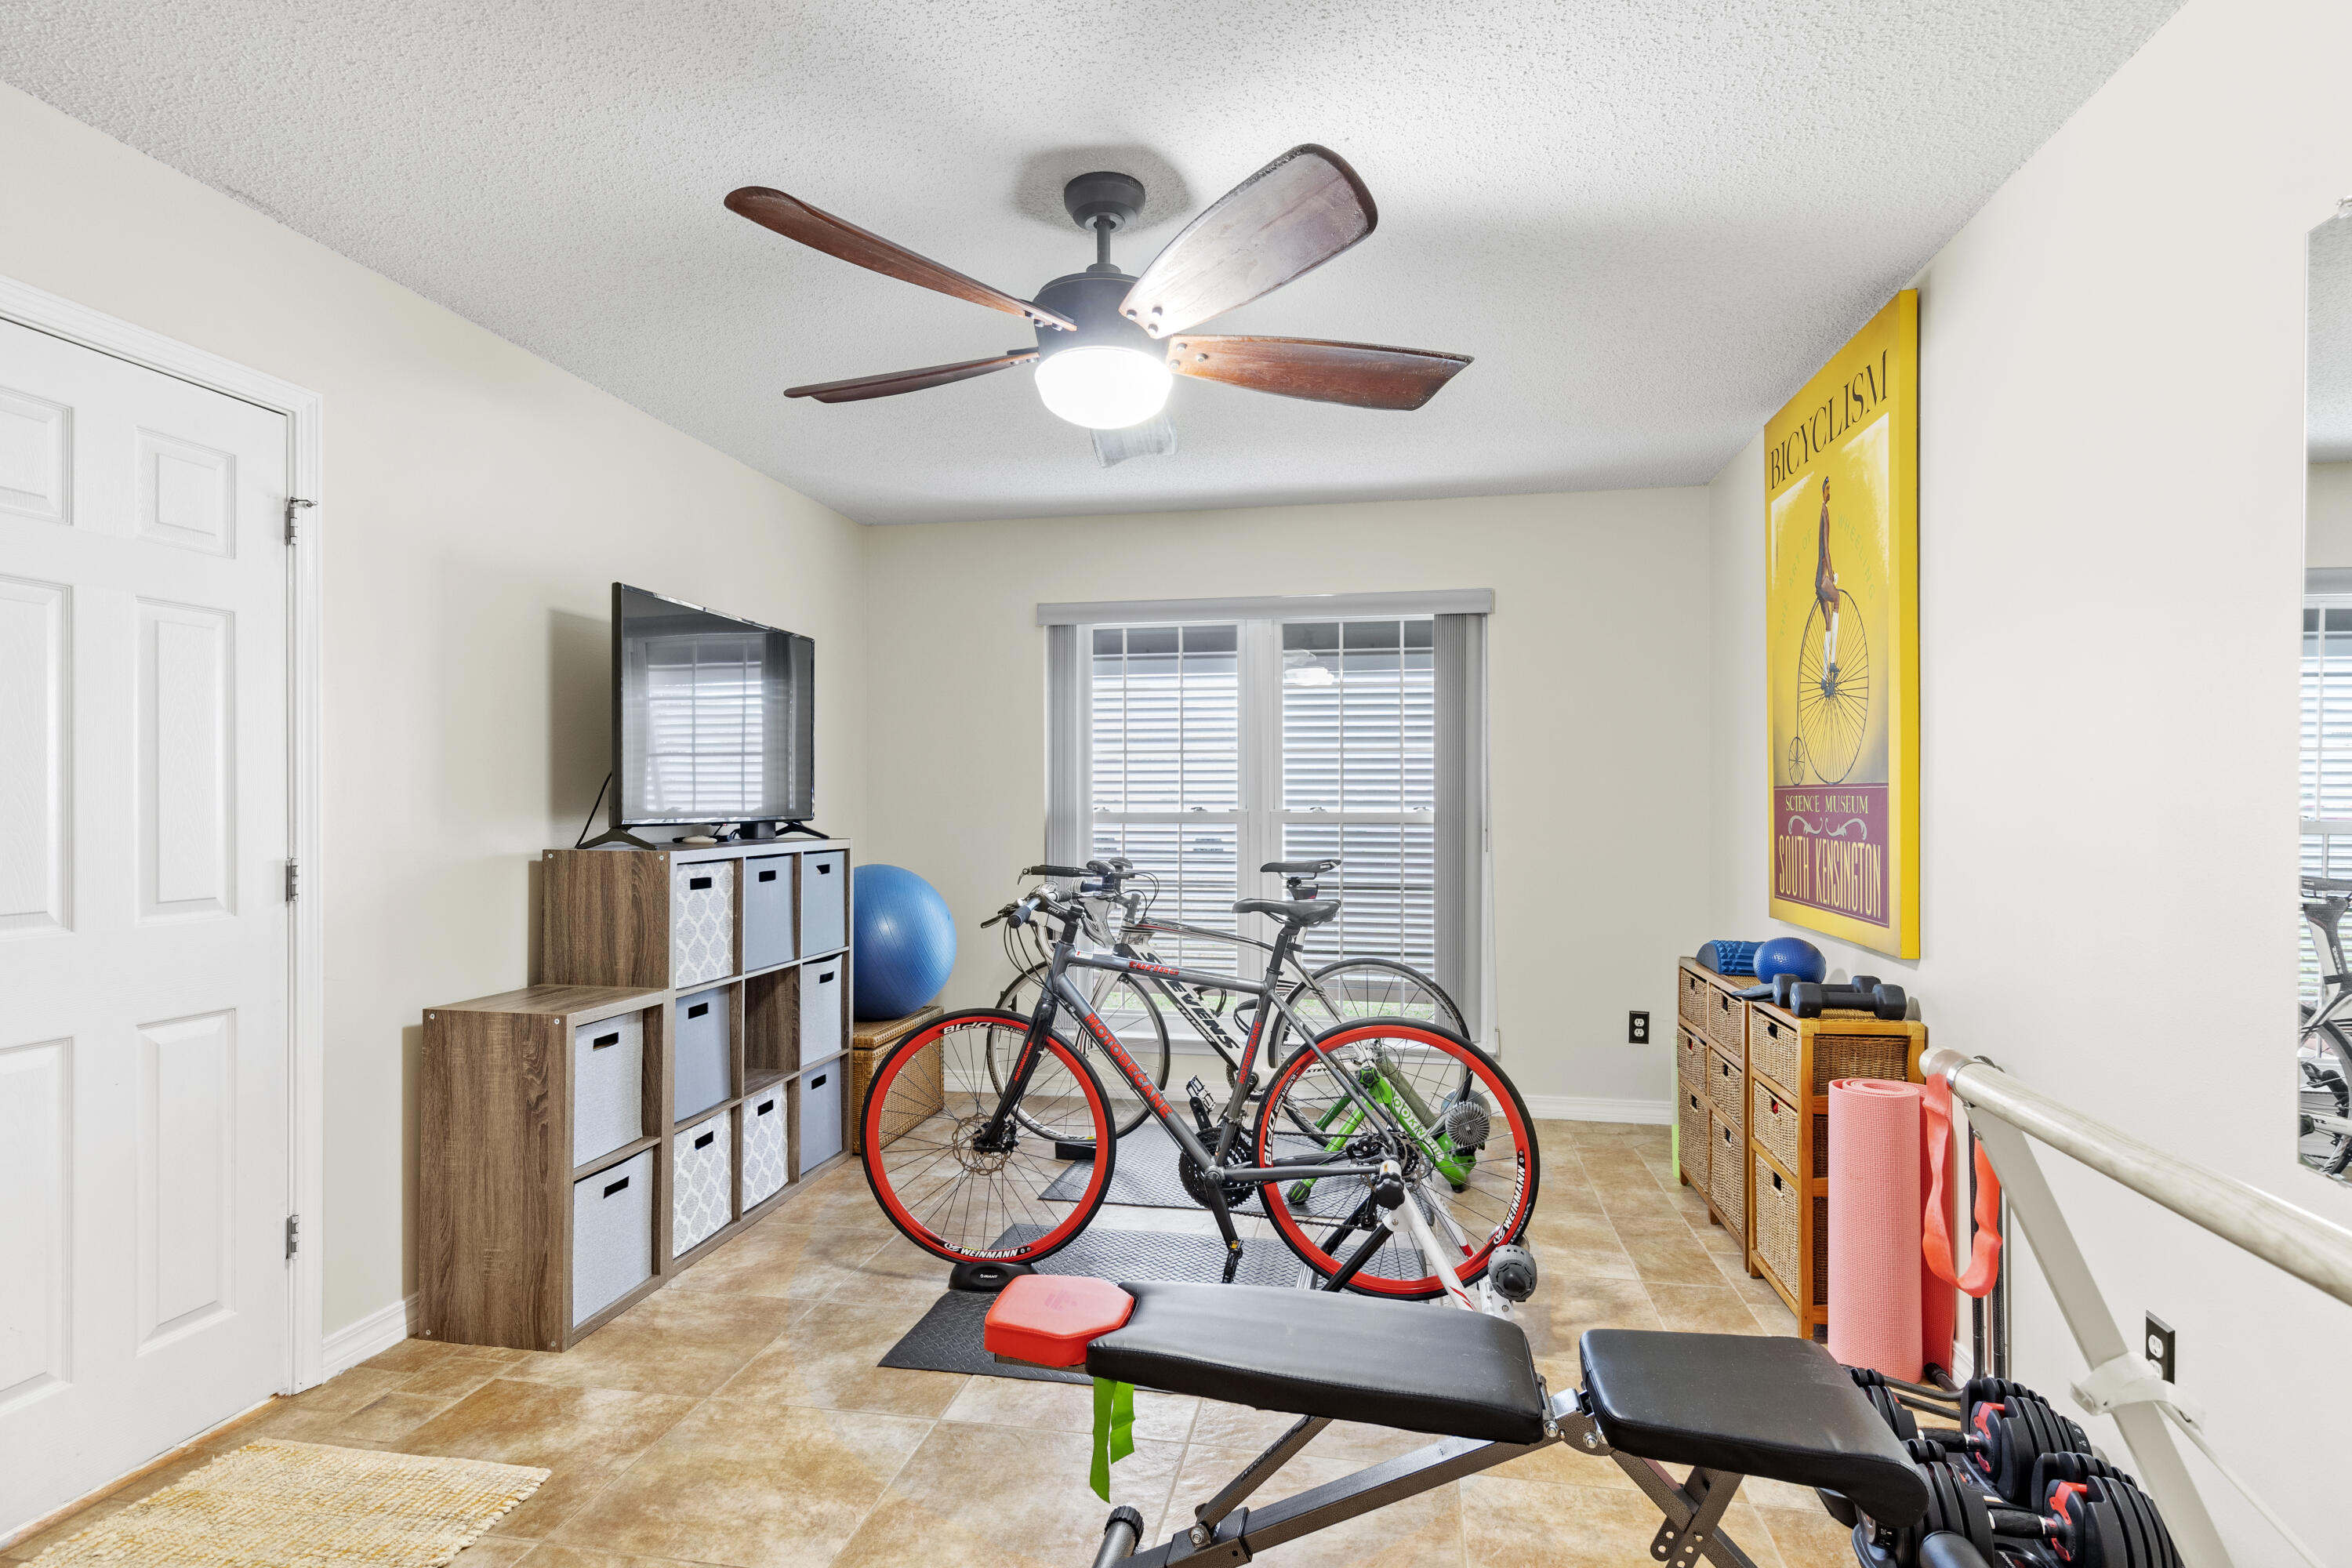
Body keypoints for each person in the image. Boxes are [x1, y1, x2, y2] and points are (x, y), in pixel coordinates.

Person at [1815, 476, 1840, 677]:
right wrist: (1831, 575)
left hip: (1817, 581)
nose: (1830, 492)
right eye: (1828, 488)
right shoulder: (1825, 512)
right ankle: (1832, 662)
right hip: (1823, 576)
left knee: (1828, 624)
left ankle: (1824, 677)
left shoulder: (1822, 512)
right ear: (1823, 491)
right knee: (1838, 599)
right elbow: (1826, 548)